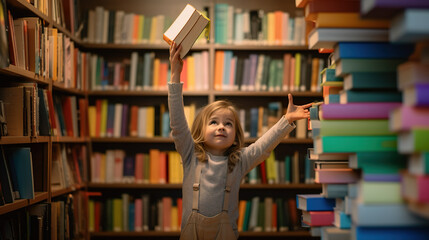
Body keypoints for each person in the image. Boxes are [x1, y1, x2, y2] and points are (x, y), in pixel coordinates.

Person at [168, 42, 312, 240]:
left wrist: (286, 120)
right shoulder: (189, 154)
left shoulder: (240, 160)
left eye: (228, 124)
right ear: (200, 130)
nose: (221, 127)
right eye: (213, 122)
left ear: (236, 135)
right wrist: (175, 75)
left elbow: (263, 146)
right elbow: (177, 122)